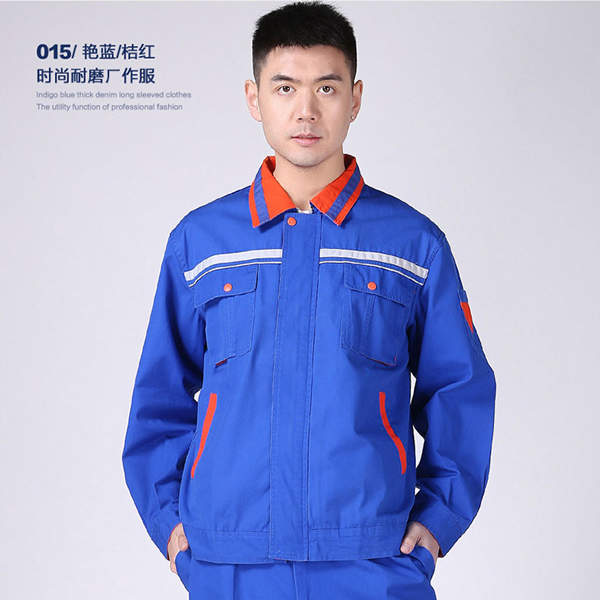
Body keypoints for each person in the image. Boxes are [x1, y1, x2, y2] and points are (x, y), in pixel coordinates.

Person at [122, 2, 496, 598]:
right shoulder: (201, 243)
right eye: (285, 87)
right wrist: (169, 522)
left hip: (372, 560)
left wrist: (439, 518)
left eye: (326, 87)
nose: (306, 110)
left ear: (355, 98)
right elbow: (158, 398)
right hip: (230, 562)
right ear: (254, 98)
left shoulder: (411, 243)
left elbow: (460, 388)